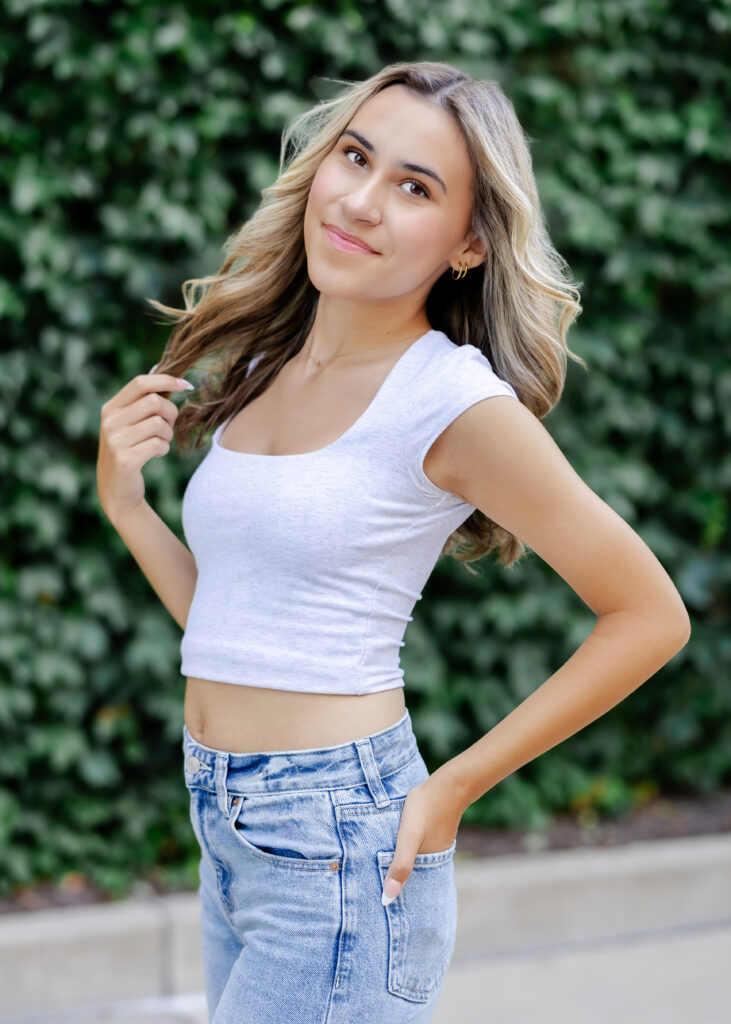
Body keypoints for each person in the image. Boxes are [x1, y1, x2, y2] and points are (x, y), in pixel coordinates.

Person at [96, 61, 690, 1023]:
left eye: (414, 188)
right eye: (355, 157)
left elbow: (649, 615)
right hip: (231, 827)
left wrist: (454, 786)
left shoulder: (451, 402)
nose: (363, 201)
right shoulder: (263, 361)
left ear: (466, 245)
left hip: (339, 840)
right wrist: (128, 506)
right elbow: (234, 626)